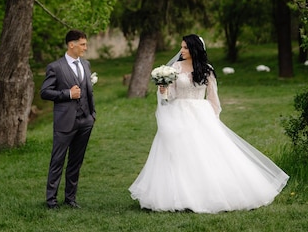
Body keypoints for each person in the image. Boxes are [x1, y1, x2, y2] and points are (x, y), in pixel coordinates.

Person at [129, 34, 289, 213]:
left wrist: (214, 121)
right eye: (181, 47)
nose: (181, 51)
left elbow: (213, 98)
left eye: (185, 48)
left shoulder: (207, 70)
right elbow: (170, 97)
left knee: (204, 154)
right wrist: (163, 90)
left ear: (194, 49)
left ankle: (208, 193)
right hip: (178, 113)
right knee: (178, 154)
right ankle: (179, 195)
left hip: (201, 114)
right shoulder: (175, 67)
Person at [40, 30, 96, 209]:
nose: (85, 48)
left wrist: (92, 115)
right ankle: (51, 201)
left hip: (85, 121)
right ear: (71, 45)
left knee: (75, 162)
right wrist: (68, 94)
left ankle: (70, 199)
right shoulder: (55, 67)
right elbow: (45, 92)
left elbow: (88, 90)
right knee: (57, 161)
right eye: (82, 44)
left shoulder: (86, 64)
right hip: (65, 122)